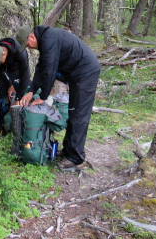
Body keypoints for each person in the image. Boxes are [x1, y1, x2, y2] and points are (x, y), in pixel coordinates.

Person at [15, 25, 100, 171]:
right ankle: (68, 150)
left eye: (28, 45)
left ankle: (76, 158)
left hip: (86, 73)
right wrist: (31, 91)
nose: (29, 48)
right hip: (77, 75)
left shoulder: (49, 39)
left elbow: (50, 71)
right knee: (73, 112)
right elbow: (41, 68)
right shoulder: (47, 39)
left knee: (79, 115)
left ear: (31, 37)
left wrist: (43, 97)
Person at [0, 35, 31, 135]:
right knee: (0, 103)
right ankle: (1, 131)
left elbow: (25, 74)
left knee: (22, 101)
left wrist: (18, 98)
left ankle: (21, 132)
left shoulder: (20, 51)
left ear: (3, 54)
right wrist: (9, 85)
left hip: (19, 72)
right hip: (4, 73)